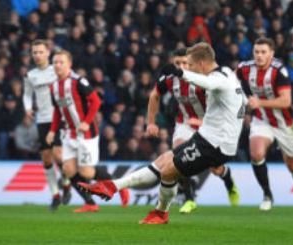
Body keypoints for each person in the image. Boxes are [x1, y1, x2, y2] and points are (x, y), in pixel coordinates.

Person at [80, 42, 246, 224]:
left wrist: (180, 73)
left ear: (201, 64)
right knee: (164, 161)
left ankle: (160, 212)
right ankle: (113, 187)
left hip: (215, 144)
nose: (186, 68)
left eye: (189, 65)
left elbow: (208, 83)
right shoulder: (227, 73)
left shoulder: (216, 78)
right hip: (208, 136)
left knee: (169, 171)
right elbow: (240, 101)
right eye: (182, 64)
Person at [146, 48, 239, 214]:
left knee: (215, 169)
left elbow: (225, 106)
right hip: (186, 122)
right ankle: (189, 199)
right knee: (177, 156)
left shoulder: (206, 79)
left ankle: (228, 179)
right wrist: (151, 122)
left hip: (210, 125)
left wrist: (202, 121)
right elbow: (154, 95)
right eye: (177, 63)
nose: (182, 66)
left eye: (184, 63)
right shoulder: (170, 79)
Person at [46, 50, 129, 213]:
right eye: (55, 62)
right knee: (68, 170)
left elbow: (96, 101)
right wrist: (52, 130)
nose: (57, 65)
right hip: (69, 134)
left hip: (87, 134)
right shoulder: (53, 86)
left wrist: (86, 122)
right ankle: (90, 203)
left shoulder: (78, 81)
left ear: (69, 64)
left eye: (61, 62)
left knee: (86, 172)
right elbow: (57, 110)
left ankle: (120, 184)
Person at [236, 38, 293, 215]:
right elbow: (232, 80)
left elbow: (286, 101)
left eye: (263, 52)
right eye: (256, 52)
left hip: (284, 123)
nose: (259, 56)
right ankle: (267, 195)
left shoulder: (279, 71)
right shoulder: (245, 68)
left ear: (271, 54)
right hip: (261, 120)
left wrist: (258, 102)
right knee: (256, 154)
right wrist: (240, 96)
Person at [23, 39, 70, 211]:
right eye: (34, 52)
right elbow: (27, 95)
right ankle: (55, 195)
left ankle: (66, 182)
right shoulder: (30, 75)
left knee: (58, 155)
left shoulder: (56, 70)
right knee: (46, 158)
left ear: (48, 53)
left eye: (40, 52)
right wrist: (28, 108)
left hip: (58, 118)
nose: (37, 55)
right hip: (42, 120)